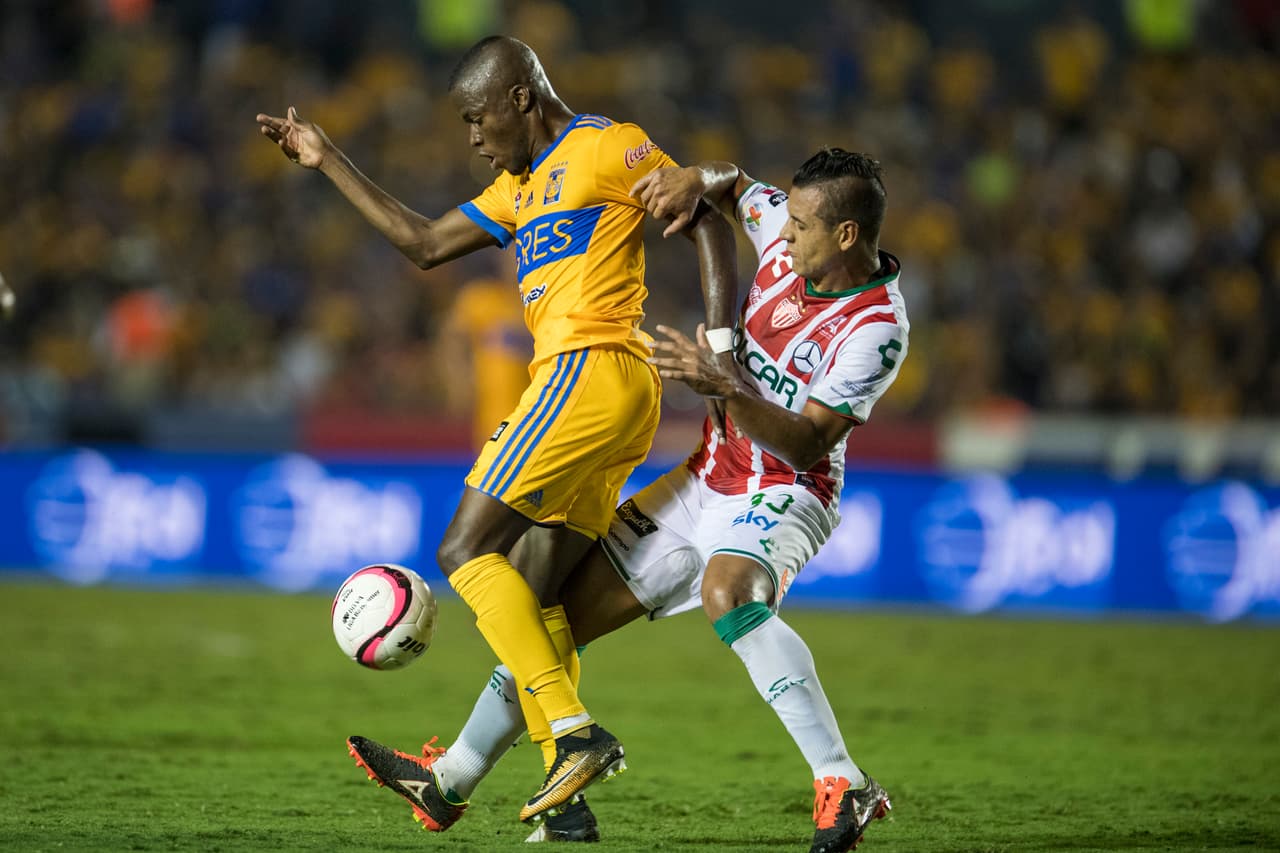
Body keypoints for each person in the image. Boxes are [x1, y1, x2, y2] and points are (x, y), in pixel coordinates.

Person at [256, 35, 738, 827]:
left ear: (520, 98)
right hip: (616, 398)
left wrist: (719, 345)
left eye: (478, 119)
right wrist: (327, 157)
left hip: (589, 370)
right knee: (538, 589)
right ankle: (557, 796)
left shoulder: (608, 147)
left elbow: (705, 216)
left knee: (462, 549)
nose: (473, 138)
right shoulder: (518, 190)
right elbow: (422, 243)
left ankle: (576, 734)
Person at [414, 147, 906, 851]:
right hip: (708, 473)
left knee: (728, 592)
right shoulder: (778, 223)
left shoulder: (876, 328)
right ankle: (450, 780)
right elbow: (732, 182)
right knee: (550, 615)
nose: (785, 232)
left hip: (787, 489)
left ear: (848, 236)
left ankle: (842, 782)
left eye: (802, 226)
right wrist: (692, 178)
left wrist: (723, 383)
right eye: (788, 217)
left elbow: (805, 444)